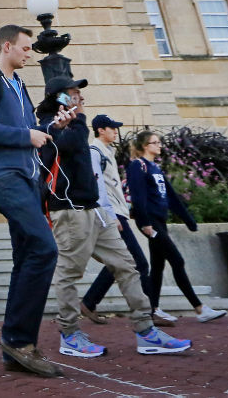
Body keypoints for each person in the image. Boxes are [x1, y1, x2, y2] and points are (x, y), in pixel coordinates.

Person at [37, 79, 191, 358]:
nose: (80, 97)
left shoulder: (71, 121)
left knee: (127, 265)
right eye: (73, 93)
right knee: (69, 274)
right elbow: (70, 143)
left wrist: (108, 211)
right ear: (59, 98)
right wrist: (79, 118)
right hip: (70, 211)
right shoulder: (48, 125)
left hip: (95, 210)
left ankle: (146, 331)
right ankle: (69, 335)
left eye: (79, 93)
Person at [0, 24, 62, 377]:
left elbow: (34, 134)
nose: (29, 53)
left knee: (27, 256)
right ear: (7, 46)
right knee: (44, 249)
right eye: (24, 48)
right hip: (2, 177)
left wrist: (54, 127)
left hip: (27, 178)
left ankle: (16, 346)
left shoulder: (19, 85)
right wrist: (27, 135)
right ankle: (19, 340)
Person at [80, 115, 172, 327]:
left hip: (119, 213)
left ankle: (89, 302)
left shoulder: (108, 152)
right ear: (100, 130)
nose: (115, 131)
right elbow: (97, 187)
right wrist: (112, 215)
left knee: (119, 261)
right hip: (112, 215)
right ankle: (148, 312)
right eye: (112, 128)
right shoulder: (95, 152)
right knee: (139, 262)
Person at [128, 131, 227, 323]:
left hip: (160, 221)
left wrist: (188, 219)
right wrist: (144, 223)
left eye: (159, 142)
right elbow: (138, 196)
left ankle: (153, 309)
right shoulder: (137, 166)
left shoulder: (155, 167)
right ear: (145, 146)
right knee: (177, 260)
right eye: (154, 142)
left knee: (158, 266)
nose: (159, 145)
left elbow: (172, 197)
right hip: (151, 222)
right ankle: (199, 308)